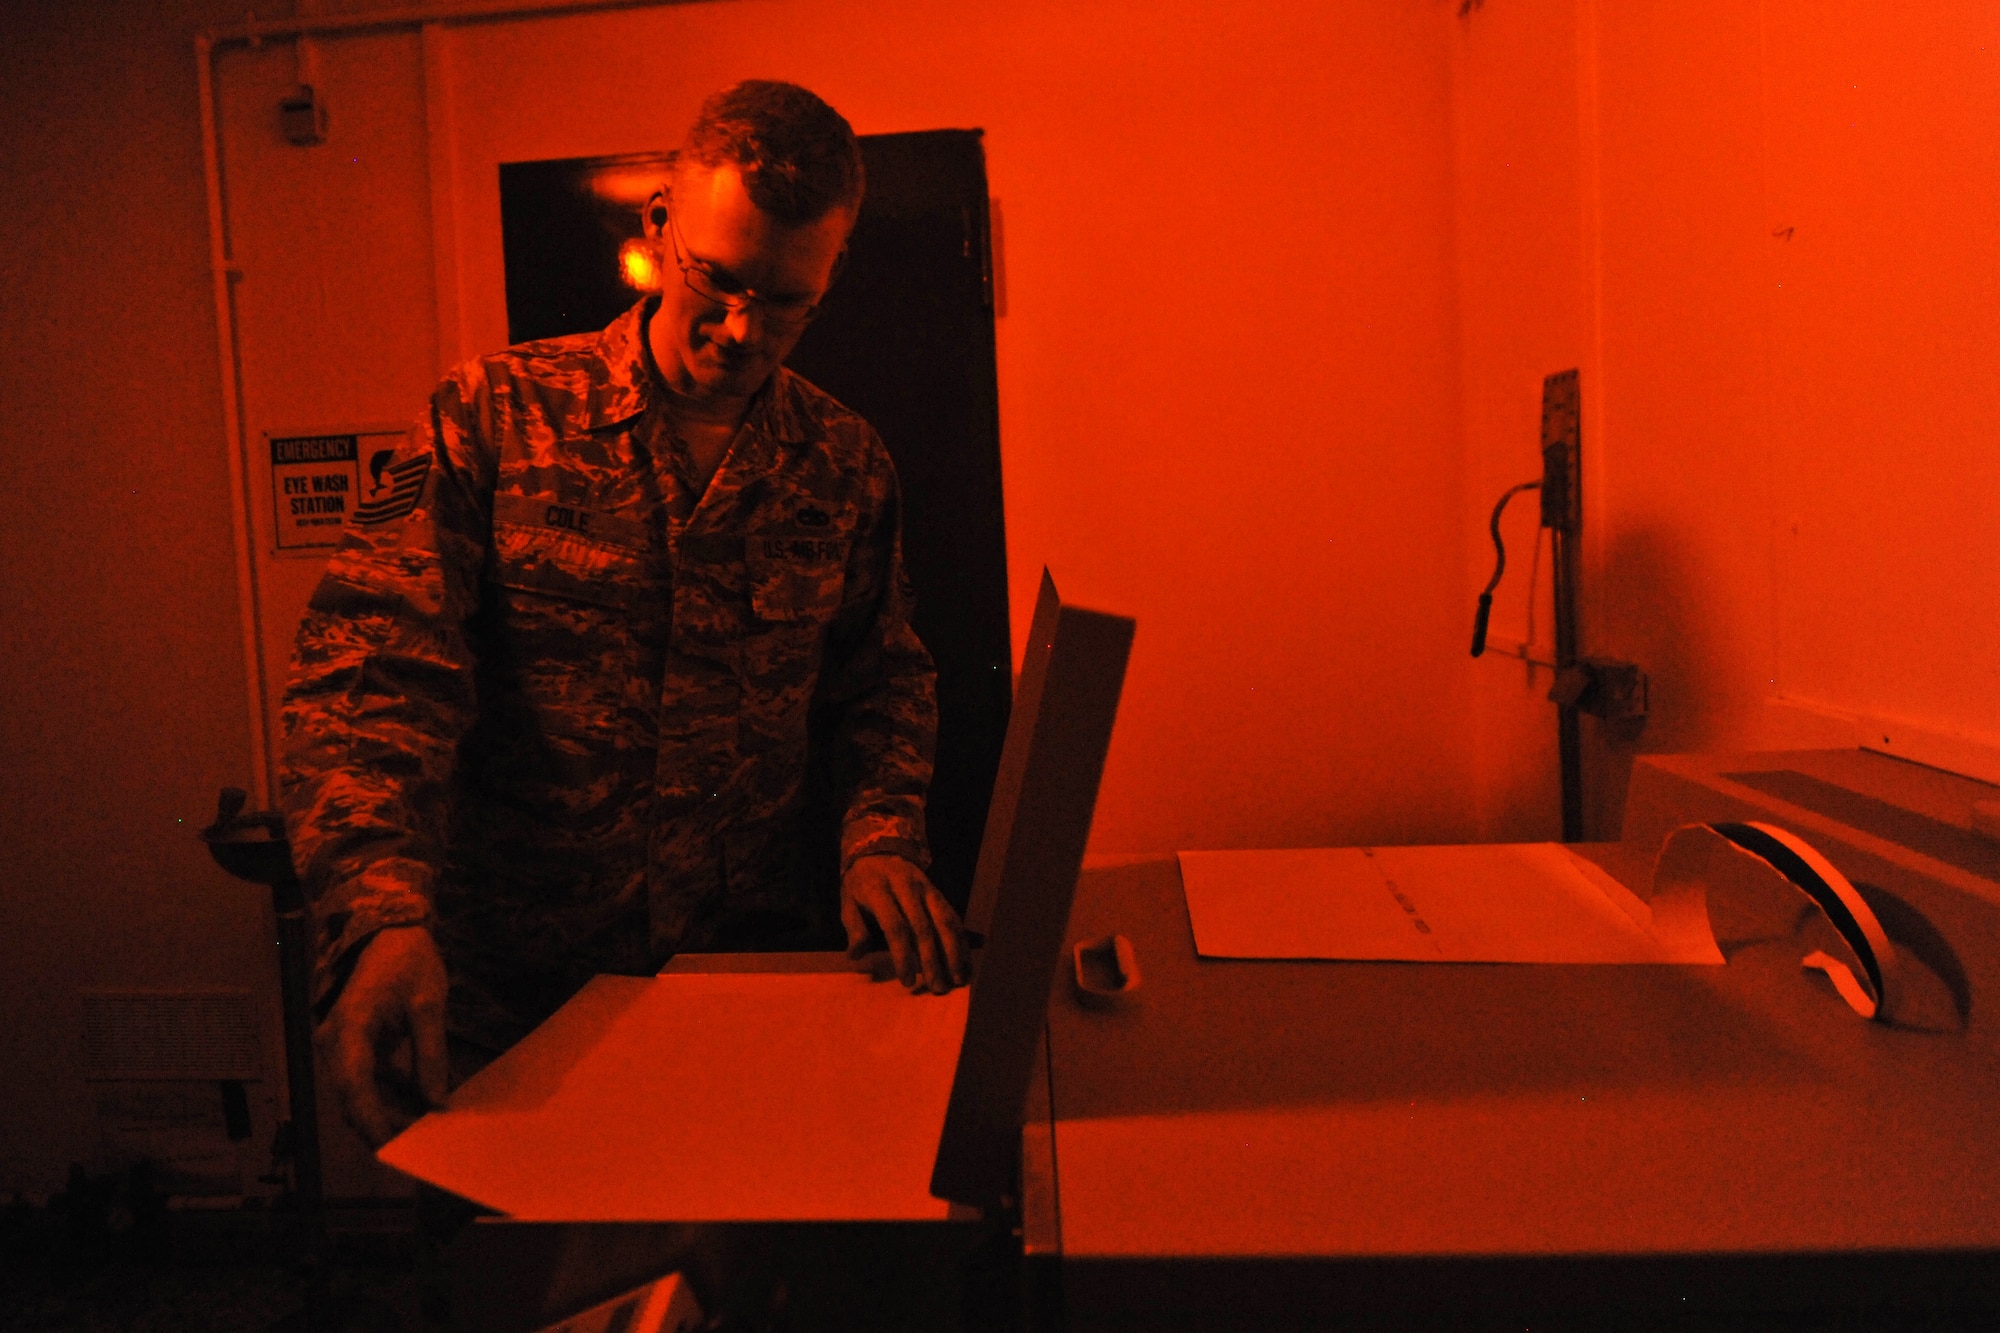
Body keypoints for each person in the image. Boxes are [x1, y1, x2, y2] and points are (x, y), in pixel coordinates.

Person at [280, 80, 969, 1149]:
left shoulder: (843, 463)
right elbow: (370, 674)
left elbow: (880, 680)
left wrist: (880, 838)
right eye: (719, 280)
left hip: (744, 991)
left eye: (784, 301)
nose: (743, 330)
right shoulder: (492, 418)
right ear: (658, 229)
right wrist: (378, 912)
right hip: (511, 1007)